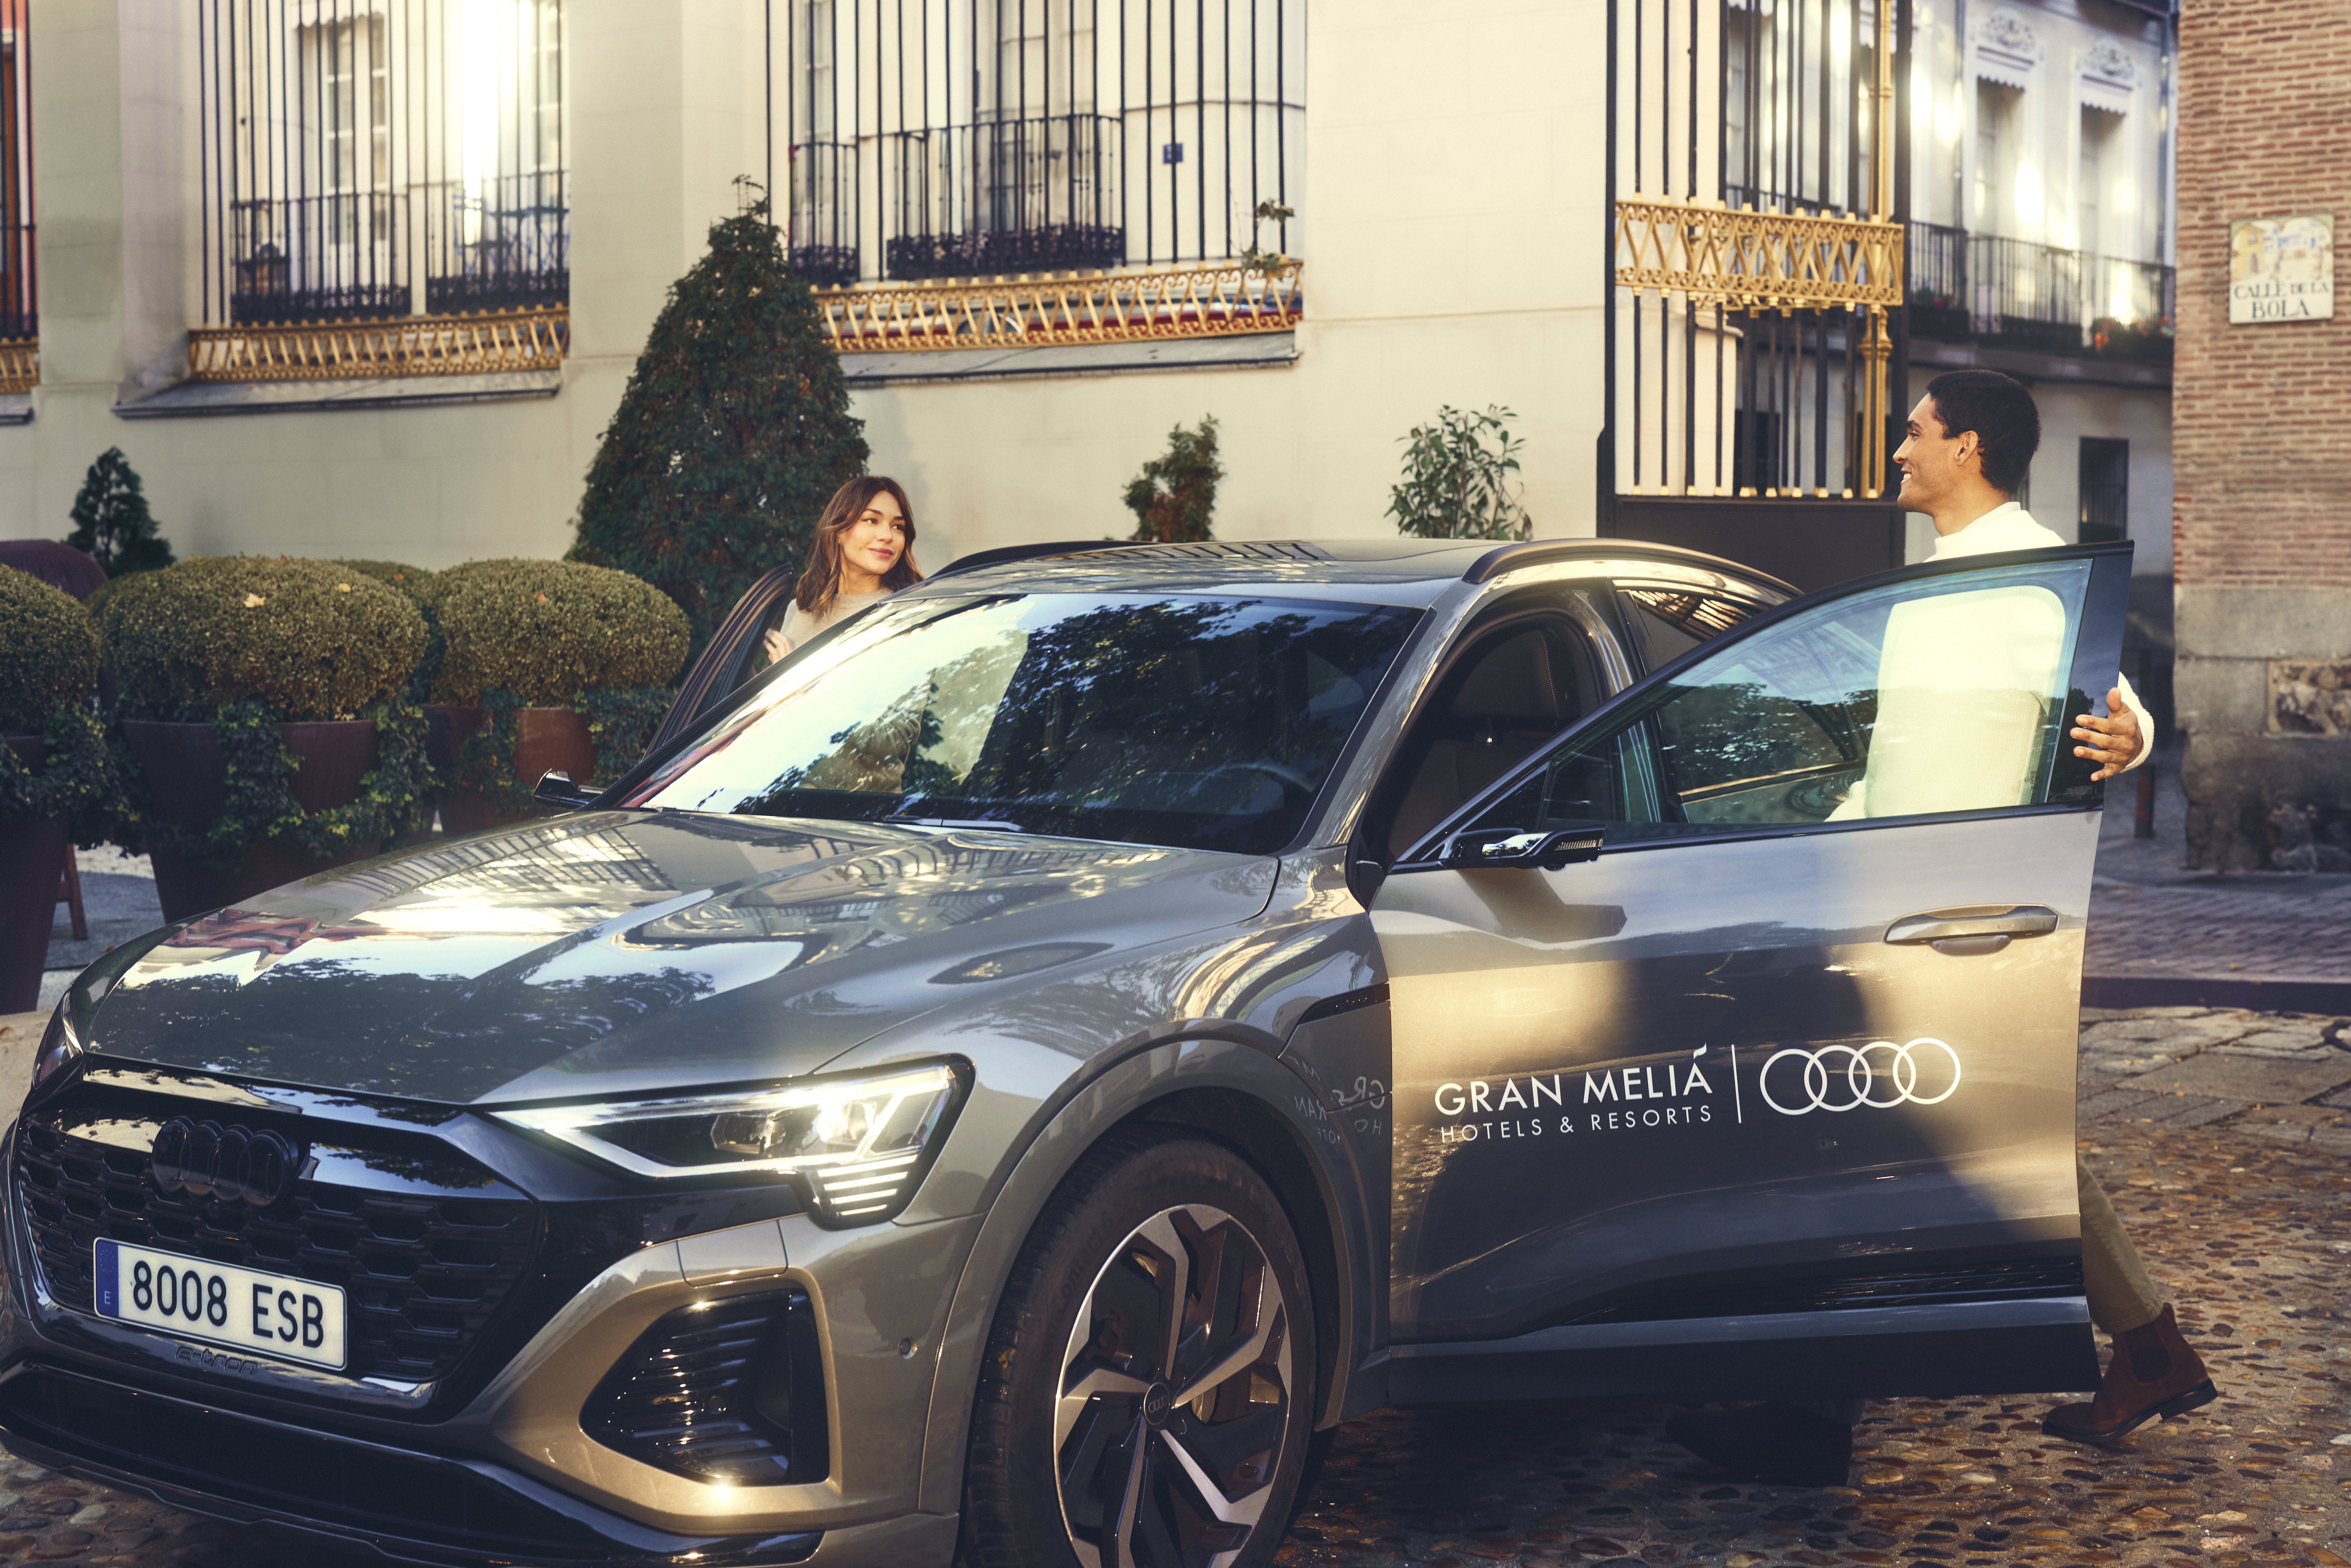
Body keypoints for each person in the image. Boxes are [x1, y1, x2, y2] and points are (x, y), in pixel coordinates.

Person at [1666, 370, 2215, 1486]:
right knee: (1980, 1142)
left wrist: (2131, 736)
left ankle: (1809, 1418)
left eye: (1912, 431)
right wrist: (1808, 849)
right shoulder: (1931, 576)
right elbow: (1892, 762)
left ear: (1964, 446)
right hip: (1896, 899)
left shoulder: (2027, 571)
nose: (1897, 448)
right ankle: (2150, 1348)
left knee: (1874, 1143)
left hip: (1958, 916)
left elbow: (2107, 693)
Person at [760, 476, 925, 666]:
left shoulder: (905, 614)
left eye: (898, 527)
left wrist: (789, 685)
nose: (887, 536)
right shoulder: (800, 610)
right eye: (872, 521)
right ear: (838, 531)